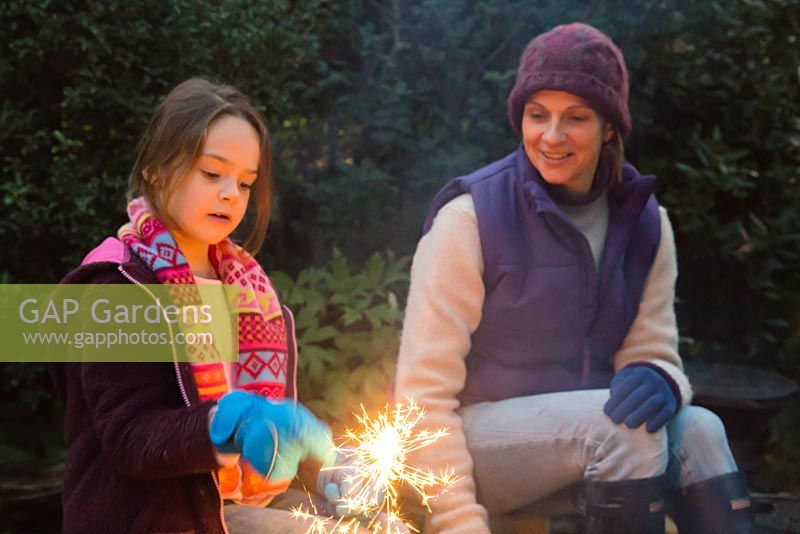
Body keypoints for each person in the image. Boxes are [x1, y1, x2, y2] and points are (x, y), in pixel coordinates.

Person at [394, 23, 754, 534]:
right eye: (537, 115)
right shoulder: (471, 219)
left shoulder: (646, 223)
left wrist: (662, 380)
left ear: (610, 127)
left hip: (593, 451)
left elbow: (653, 353)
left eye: (576, 118)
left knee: (700, 429)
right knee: (622, 430)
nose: (552, 136)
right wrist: (458, 523)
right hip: (475, 450)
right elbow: (420, 399)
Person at [49, 78, 360, 533]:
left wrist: (328, 466)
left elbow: (271, 437)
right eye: (212, 173)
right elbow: (131, 438)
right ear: (155, 168)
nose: (232, 193)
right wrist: (226, 426)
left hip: (232, 507)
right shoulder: (114, 284)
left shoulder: (251, 290)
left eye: (246, 182)